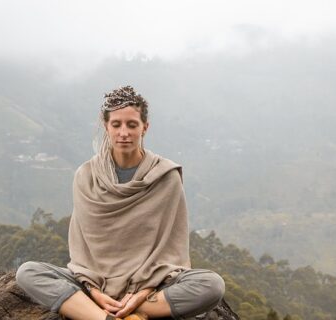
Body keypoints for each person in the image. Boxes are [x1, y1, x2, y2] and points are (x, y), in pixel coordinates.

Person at [16, 86, 225, 320]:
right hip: (95, 282)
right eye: (116, 125)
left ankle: (132, 313)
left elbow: (170, 251)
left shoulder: (165, 176)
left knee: (212, 285)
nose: (123, 132)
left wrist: (142, 294)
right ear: (106, 127)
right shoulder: (87, 176)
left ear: (145, 127)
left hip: (150, 286)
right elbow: (82, 248)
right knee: (28, 272)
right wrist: (94, 291)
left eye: (132, 125)